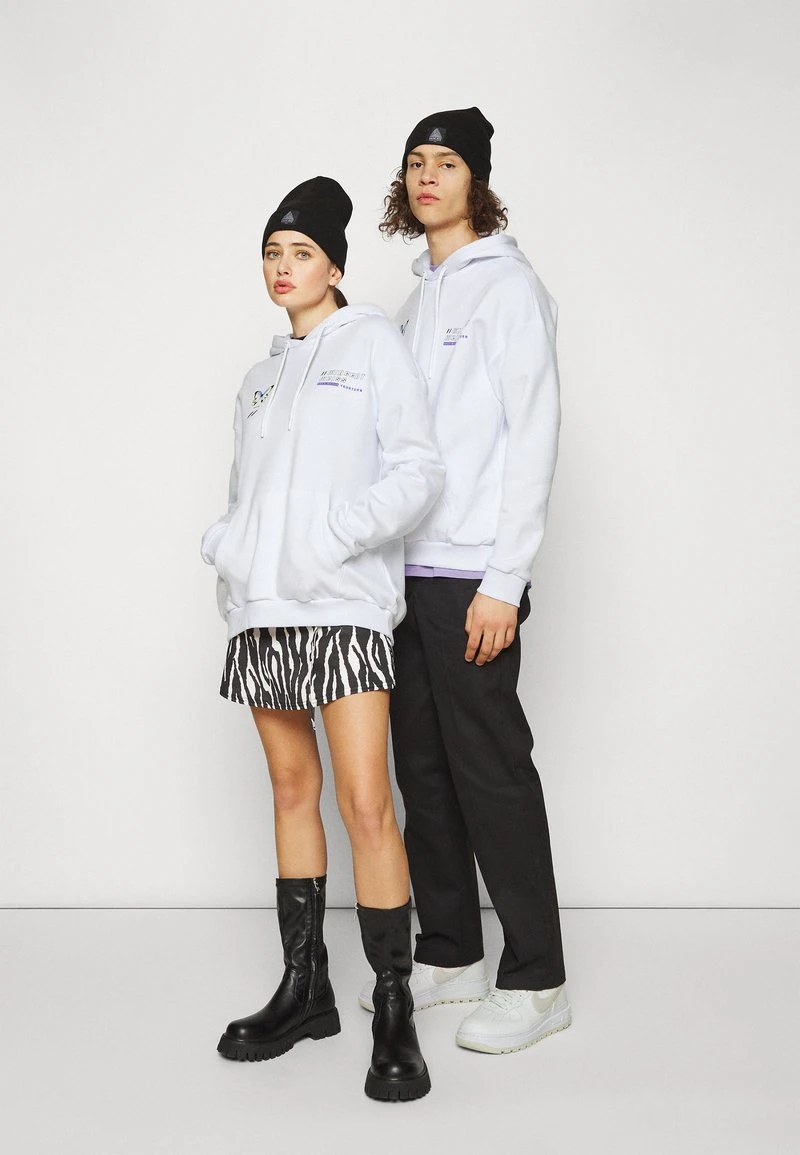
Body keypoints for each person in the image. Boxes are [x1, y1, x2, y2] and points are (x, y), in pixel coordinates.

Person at [201, 176, 444, 1100]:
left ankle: (393, 1005)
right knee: (291, 791)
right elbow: (243, 496)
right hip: (264, 615)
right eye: (272, 253)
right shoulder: (257, 381)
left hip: (342, 607)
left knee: (365, 800)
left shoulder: (373, 344)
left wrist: (335, 535)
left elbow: (418, 470)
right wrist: (235, 568)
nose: (282, 267)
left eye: (300, 253)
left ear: (334, 267)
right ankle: (306, 989)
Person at [359, 108, 571, 1054]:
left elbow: (535, 435)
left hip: (473, 575)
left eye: (446, 162)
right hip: (405, 573)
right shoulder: (416, 303)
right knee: (423, 767)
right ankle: (451, 952)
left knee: (492, 769)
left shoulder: (508, 289)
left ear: (477, 182)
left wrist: (505, 578)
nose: (427, 176)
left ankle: (538, 979)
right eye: (416, 162)